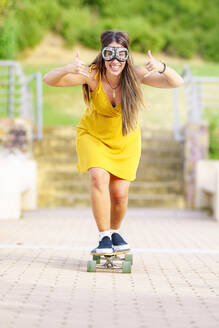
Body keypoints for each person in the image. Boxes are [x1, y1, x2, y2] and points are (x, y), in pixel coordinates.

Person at [43, 30, 184, 255]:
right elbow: (48, 79)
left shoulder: (135, 75)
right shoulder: (93, 75)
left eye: (121, 54)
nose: (115, 60)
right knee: (98, 177)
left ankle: (115, 231)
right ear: (102, 54)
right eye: (109, 53)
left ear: (127, 55)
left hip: (125, 140)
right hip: (93, 135)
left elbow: (177, 82)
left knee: (119, 195)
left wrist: (162, 68)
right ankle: (104, 237)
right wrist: (66, 69)